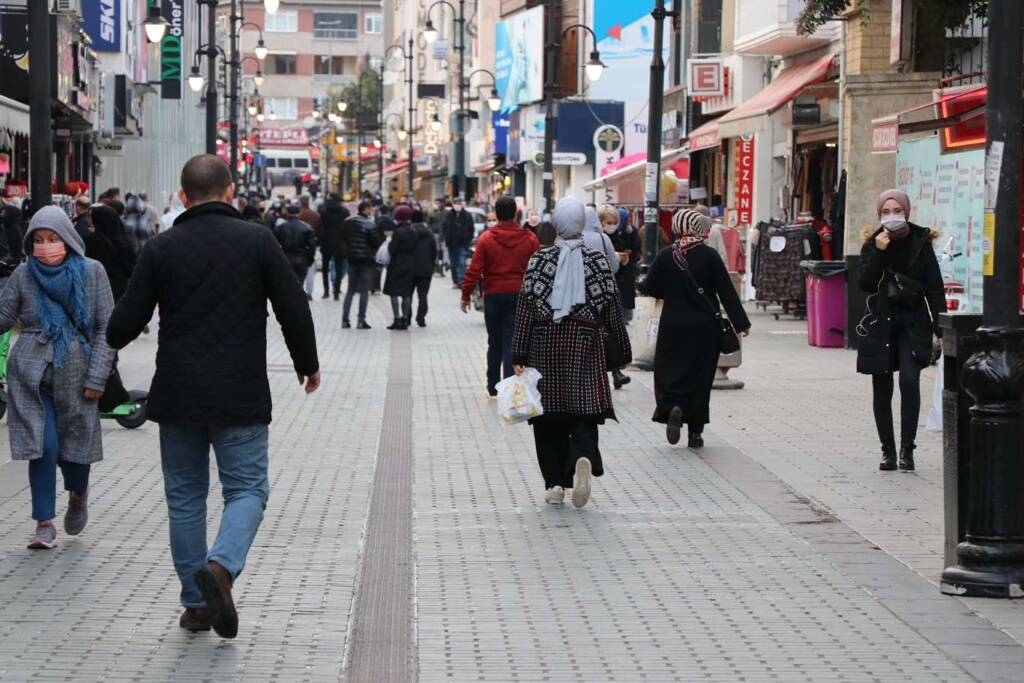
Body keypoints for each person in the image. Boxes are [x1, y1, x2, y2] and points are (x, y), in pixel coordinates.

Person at [106, 154, 320, 638]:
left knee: (185, 499)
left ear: (183, 197)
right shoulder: (257, 240)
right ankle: (221, 569)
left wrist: (111, 334)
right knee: (247, 489)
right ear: (230, 193)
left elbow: (124, 324)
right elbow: (293, 308)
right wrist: (307, 364)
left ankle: (197, 604)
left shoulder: (161, 248)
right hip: (240, 391)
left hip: (178, 392)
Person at [0, 206, 116, 549]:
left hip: (79, 376)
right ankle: (44, 523)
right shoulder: (24, 274)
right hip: (31, 375)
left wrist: (97, 376)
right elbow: (5, 315)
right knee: (44, 447)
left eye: (52, 238)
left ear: (68, 238)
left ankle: (78, 494)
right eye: (38, 239)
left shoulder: (91, 272)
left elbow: (105, 327)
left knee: (76, 455)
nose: (45, 246)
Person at [511, 197, 630, 509]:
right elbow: (612, 308)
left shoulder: (539, 261)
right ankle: (582, 456)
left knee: (547, 419)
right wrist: (623, 348)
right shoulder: (598, 262)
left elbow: (525, 308)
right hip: (585, 344)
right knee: (585, 411)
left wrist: (519, 353)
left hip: (544, 345)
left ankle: (554, 484)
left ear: (556, 224)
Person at [640, 209, 751, 449]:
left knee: (670, 372)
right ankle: (695, 433)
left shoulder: (665, 256)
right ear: (701, 230)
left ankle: (673, 406)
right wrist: (741, 323)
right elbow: (726, 293)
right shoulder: (710, 257)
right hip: (705, 329)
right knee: (700, 378)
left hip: (673, 327)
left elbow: (651, 288)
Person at [856, 189, 945, 472]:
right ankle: (888, 451)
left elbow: (934, 286)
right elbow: (866, 284)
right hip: (882, 322)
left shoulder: (921, 240)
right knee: (882, 385)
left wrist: (940, 329)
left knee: (909, 380)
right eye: (885, 212)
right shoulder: (873, 244)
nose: (891, 217)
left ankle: (908, 449)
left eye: (896, 211)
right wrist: (880, 253)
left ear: (906, 211)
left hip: (913, 322)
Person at [462, 196, 540, 396]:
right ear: (516, 213)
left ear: (496, 214)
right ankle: (509, 385)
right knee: (512, 340)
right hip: (519, 296)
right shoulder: (530, 238)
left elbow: (474, 269)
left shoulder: (486, 238)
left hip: (493, 295)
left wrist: (466, 295)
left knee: (494, 340)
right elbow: (538, 269)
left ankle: (492, 385)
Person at [598, 205, 639, 390]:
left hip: (616, 287)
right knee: (605, 333)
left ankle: (617, 372)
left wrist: (624, 261)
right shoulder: (598, 238)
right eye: (609, 222)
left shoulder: (620, 236)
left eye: (615, 223)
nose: (612, 226)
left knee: (613, 332)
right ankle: (613, 372)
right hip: (599, 291)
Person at [341, 200, 385, 329]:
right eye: (369, 208)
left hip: (351, 259)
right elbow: (378, 242)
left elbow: (343, 237)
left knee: (350, 290)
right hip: (366, 261)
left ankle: (345, 320)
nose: (371, 211)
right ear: (365, 209)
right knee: (364, 291)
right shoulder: (370, 224)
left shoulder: (347, 222)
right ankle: (361, 320)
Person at [84, 205, 137, 303]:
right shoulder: (124, 241)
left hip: (98, 290)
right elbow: (131, 268)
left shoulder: (90, 240)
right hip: (121, 290)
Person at [383, 205, 417, 330]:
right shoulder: (414, 231)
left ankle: (396, 318)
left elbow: (392, 249)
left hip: (396, 265)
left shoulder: (397, 232)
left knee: (394, 293)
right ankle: (405, 319)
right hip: (410, 265)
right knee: (406, 294)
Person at [273, 205, 318, 290]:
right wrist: (309, 259)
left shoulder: (280, 227)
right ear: (299, 213)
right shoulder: (306, 227)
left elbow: (274, 245)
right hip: (301, 258)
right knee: (299, 285)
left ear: (287, 213)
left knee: (286, 285)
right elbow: (312, 246)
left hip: (286, 257)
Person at [410, 208, 438, 327]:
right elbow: (434, 252)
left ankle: (407, 317)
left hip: (409, 269)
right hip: (425, 269)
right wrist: (431, 265)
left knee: (407, 295)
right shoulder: (429, 233)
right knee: (423, 296)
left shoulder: (408, 232)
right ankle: (421, 318)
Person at [318, 193, 349, 300]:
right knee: (339, 268)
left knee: (325, 268)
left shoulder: (323, 210)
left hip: (326, 241)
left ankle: (326, 291)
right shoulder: (344, 211)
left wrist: (320, 240)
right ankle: (336, 292)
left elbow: (320, 228)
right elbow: (347, 227)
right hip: (340, 242)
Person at [443, 197, 475, 287]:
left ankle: (461, 281)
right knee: (453, 263)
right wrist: (445, 238)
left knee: (461, 262)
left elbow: (471, 229)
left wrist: (468, 239)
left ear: (462, 204)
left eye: (459, 203)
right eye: (456, 203)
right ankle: (455, 281)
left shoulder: (467, 215)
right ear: (453, 204)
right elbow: (444, 227)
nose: (458, 205)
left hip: (463, 243)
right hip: (451, 243)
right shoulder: (449, 214)